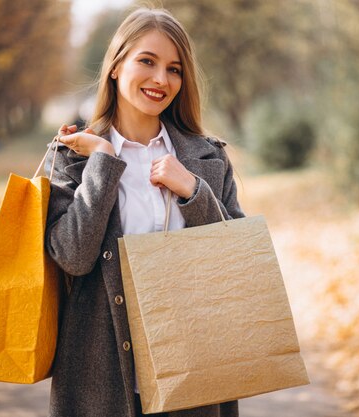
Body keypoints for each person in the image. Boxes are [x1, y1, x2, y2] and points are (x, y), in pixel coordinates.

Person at [44, 7, 244, 417]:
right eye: (147, 61)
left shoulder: (207, 158)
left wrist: (192, 190)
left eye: (174, 69)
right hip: (100, 379)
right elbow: (73, 257)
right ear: (116, 66)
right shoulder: (72, 154)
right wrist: (102, 161)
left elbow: (238, 258)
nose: (160, 80)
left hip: (194, 376)